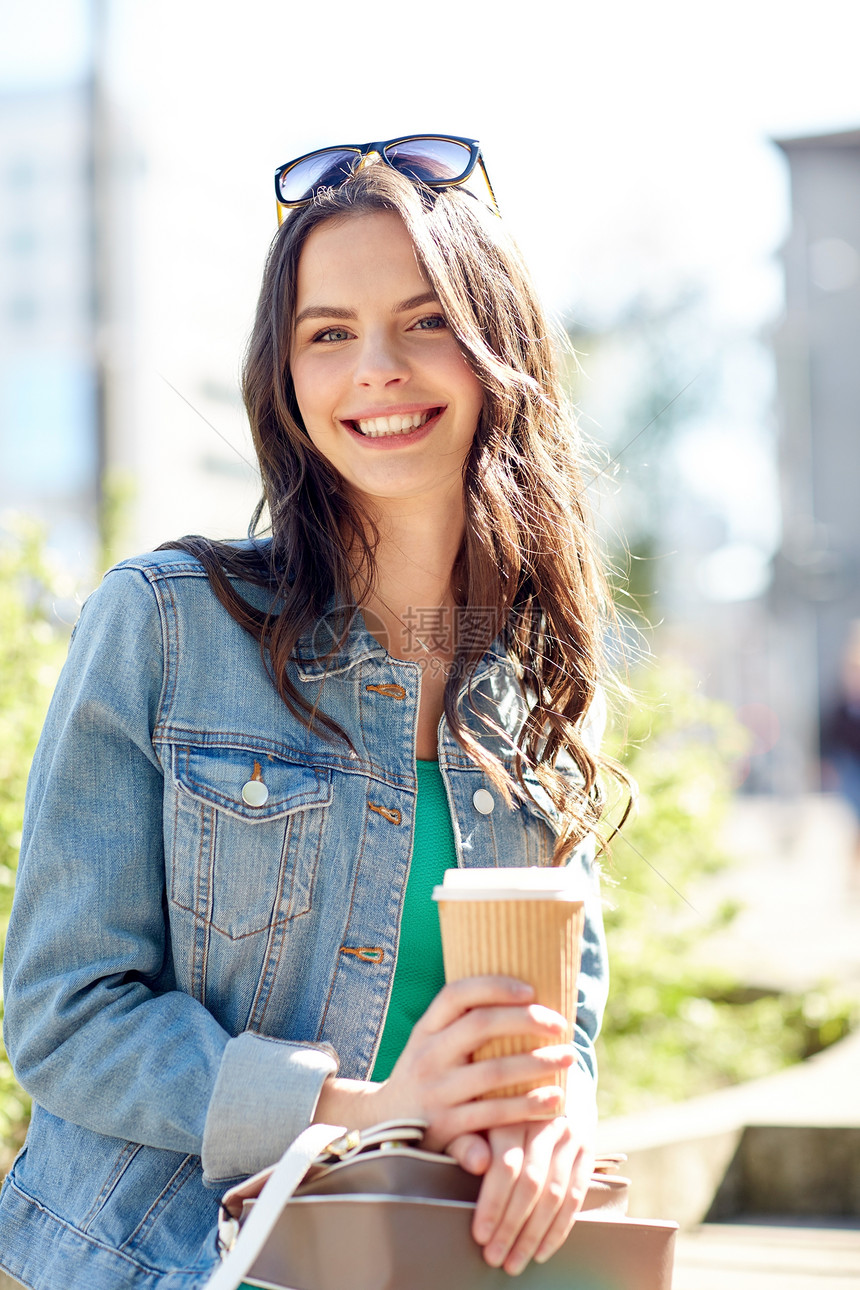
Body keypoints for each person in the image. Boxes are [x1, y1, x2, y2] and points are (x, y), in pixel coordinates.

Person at [0, 136, 627, 1289]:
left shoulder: (531, 678)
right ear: (285, 380)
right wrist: (364, 1106)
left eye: (425, 319)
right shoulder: (169, 622)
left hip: (430, 1257)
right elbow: (62, 1014)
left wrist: (556, 1107)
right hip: (175, 1260)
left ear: (498, 350)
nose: (375, 368)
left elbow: (560, 998)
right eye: (327, 333)